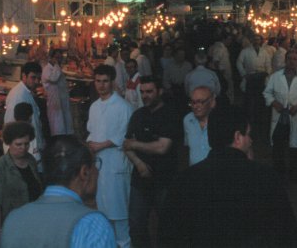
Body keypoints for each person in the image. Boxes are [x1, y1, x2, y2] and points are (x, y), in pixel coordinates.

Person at [158, 105, 297, 247]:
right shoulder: (266, 178)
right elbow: (286, 233)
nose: (251, 140)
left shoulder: (184, 182)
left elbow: (167, 237)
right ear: (237, 137)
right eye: (248, 134)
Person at [0, 135, 115, 248]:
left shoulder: (13, 219)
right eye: (95, 164)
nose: (97, 172)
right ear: (84, 172)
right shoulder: (93, 224)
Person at [123, 75, 181, 247]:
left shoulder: (170, 115)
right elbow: (126, 146)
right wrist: (139, 164)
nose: (145, 95)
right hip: (140, 180)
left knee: (167, 225)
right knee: (136, 224)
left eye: (149, 91)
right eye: (142, 92)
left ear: (160, 92)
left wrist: (135, 144)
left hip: (164, 179)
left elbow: (162, 147)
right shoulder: (138, 115)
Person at [86, 64, 134, 248]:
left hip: (116, 163)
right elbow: (91, 131)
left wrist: (102, 144)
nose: (101, 85)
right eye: (98, 81)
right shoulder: (94, 107)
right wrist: (91, 145)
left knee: (120, 216)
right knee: (104, 215)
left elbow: (125, 135)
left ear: (112, 82)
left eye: (105, 81)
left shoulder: (123, 107)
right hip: (99, 166)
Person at [263, 49, 297, 183]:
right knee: (278, 147)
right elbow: (267, 92)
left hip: (294, 116)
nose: (292, 62)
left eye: (294, 59)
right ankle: (278, 173)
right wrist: (274, 102)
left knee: (295, 147)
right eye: (289, 59)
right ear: (286, 60)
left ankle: (294, 174)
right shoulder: (275, 77)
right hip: (279, 117)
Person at [0, 121, 42, 240]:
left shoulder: (31, 160)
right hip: (14, 224)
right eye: (18, 144)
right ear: (9, 143)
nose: (23, 148)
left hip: (35, 220)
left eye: (26, 144)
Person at [4, 62, 45, 158]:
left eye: (38, 78)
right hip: (23, 151)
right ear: (24, 76)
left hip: (31, 147)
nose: (36, 82)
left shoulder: (27, 92)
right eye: (33, 77)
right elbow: (9, 124)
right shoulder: (18, 95)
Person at [237, 34, 272, 123]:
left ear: (260, 41)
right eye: (255, 39)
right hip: (250, 77)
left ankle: (259, 117)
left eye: (258, 40)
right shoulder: (245, 51)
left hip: (261, 77)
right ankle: (249, 118)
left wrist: (267, 72)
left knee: (260, 99)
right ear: (252, 40)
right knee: (250, 99)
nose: (256, 41)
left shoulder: (264, 52)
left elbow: (268, 64)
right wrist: (244, 74)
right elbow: (239, 63)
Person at [42, 48, 74, 136]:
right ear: (51, 58)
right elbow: (53, 78)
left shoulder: (57, 68)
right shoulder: (47, 69)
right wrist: (56, 65)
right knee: (57, 125)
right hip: (54, 102)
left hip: (62, 100)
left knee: (65, 122)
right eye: (56, 57)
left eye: (59, 58)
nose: (58, 60)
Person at [183, 86, 216, 166]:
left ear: (212, 102)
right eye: (193, 102)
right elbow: (188, 148)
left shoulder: (221, 121)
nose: (195, 106)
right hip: (195, 174)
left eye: (200, 102)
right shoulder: (187, 120)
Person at [208, 32, 234, 102]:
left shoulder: (223, 48)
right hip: (223, 75)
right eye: (229, 39)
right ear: (224, 39)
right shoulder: (219, 48)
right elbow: (216, 61)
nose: (230, 41)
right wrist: (220, 74)